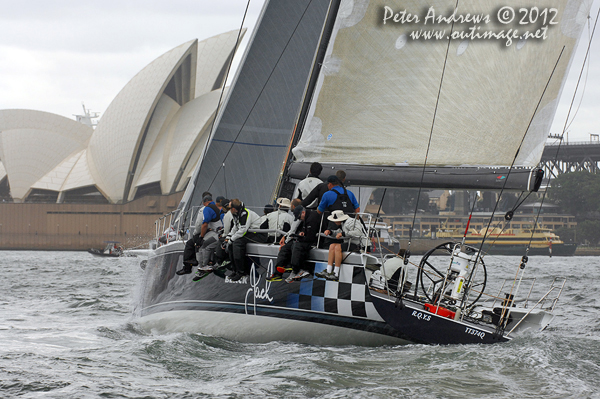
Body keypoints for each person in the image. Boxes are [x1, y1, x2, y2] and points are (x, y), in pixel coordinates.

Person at [316, 210, 366, 281]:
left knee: (337, 247)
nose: (334, 222)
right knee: (332, 246)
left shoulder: (351, 221)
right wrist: (330, 232)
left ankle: (336, 273)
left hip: (358, 244)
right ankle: (328, 270)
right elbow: (339, 232)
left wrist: (343, 234)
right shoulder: (343, 223)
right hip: (350, 243)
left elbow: (358, 232)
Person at [226, 199, 269, 281]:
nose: (228, 209)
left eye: (229, 208)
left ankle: (241, 271)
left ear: (234, 208)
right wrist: (228, 238)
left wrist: (231, 240)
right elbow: (235, 227)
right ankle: (235, 270)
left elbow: (242, 230)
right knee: (232, 244)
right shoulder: (235, 213)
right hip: (250, 232)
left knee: (237, 243)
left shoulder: (245, 213)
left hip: (259, 234)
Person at [285, 205, 325, 283]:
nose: (300, 219)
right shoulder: (307, 217)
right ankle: (297, 269)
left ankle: (296, 270)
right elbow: (306, 231)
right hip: (310, 238)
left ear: (303, 213)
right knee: (294, 244)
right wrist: (300, 234)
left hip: (317, 240)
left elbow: (311, 236)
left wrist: (300, 237)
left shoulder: (312, 218)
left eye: (299, 217)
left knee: (298, 245)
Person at [176, 191, 211, 275]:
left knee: (190, 243)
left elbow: (200, 224)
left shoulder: (204, 209)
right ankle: (195, 262)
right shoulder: (217, 208)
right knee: (196, 243)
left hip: (206, 232)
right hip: (214, 232)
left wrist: (196, 233)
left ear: (203, 201)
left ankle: (189, 266)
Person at [192, 195, 224, 280]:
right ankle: (208, 263)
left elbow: (204, 224)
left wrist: (201, 237)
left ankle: (203, 266)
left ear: (203, 203)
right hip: (219, 231)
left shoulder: (207, 208)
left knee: (202, 244)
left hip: (219, 233)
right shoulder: (217, 207)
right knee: (205, 243)